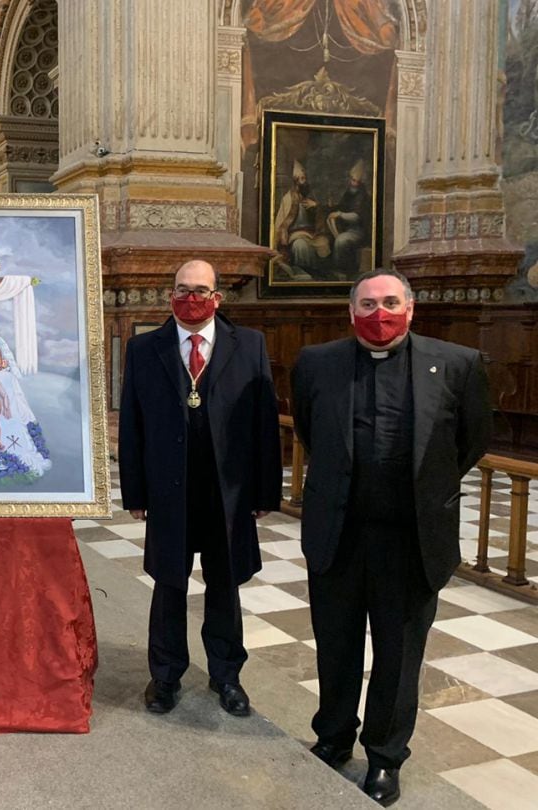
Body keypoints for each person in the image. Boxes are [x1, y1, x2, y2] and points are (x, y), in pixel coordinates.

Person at [291, 269, 492, 807]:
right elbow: (311, 432)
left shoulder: (457, 363)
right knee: (335, 644)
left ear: (411, 306)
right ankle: (333, 736)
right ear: (350, 312)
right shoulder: (317, 363)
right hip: (339, 530)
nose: (378, 315)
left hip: (412, 539)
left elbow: (469, 441)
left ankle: (384, 757)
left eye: (389, 302)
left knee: (399, 656)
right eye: (367, 304)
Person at [119, 259, 282, 719]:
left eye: (201, 290)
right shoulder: (144, 348)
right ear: (169, 293)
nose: (191, 298)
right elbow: (132, 422)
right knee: (169, 582)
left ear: (218, 297)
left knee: (225, 582)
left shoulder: (247, 344)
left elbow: (263, 423)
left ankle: (227, 674)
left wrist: (265, 491)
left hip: (227, 490)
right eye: (182, 289)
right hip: (170, 488)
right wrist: (135, 492)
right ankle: (165, 674)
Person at [275, 160, 332, 280]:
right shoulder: (288, 198)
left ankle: (321, 274)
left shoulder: (312, 195)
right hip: (296, 234)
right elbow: (282, 223)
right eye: (301, 179)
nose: (303, 181)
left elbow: (321, 216)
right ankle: (305, 272)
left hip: (313, 233)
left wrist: (316, 206)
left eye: (304, 178)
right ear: (295, 181)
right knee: (300, 246)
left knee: (324, 243)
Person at [327, 160, 373, 279]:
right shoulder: (349, 193)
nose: (353, 183)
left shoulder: (363, 196)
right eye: (352, 180)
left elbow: (357, 216)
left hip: (358, 231)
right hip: (347, 228)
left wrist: (340, 214)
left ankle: (341, 271)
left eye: (356, 181)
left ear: (360, 182)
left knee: (341, 241)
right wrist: (333, 207)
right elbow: (342, 207)